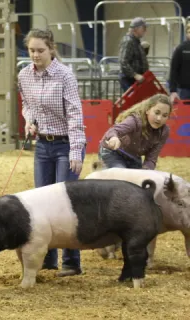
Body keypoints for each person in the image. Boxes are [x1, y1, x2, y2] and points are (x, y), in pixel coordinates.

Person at [17, 28, 87, 277]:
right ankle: (48, 258)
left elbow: (75, 114)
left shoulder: (65, 75)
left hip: (66, 143)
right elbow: (27, 104)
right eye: (31, 50)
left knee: (65, 204)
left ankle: (72, 261)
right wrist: (29, 120)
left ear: (51, 49)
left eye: (40, 50)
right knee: (42, 203)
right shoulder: (24, 75)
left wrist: (76, 151)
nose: (35, 55)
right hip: (43, 145)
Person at [98, 94, 171, 170]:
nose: (159, 118)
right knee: (120, 175)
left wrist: (147, 170)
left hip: (133, 158)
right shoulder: (135, 121)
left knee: (138, 179)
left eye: (164, 115)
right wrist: (114, 138)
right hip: (112, 152)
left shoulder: (164, 132)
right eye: (157, 113)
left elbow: (151, 158)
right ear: (147, 110)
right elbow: (114, 130)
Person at [118, 17, 149, 91]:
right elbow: (123, 61)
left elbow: (136, 59)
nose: (145, 30)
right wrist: (135, 75)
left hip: (135, 80)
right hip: (129, 80)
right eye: (143, 28)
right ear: (136, 29)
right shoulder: (128, 41)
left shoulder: (136, 41)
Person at [168, 23, 190, 103]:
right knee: (186, 113)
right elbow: (173, 70)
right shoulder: (180, 49)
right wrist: (173, 90)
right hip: (184, 90)